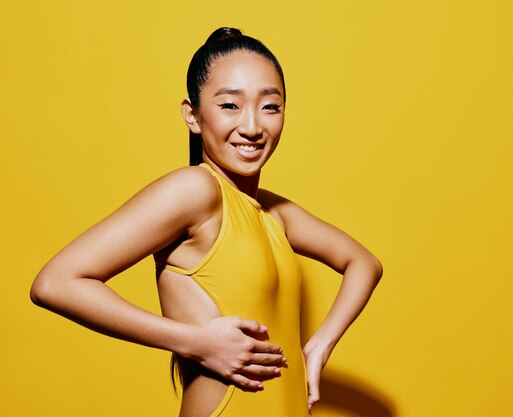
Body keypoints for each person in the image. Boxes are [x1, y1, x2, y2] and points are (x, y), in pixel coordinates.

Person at [30, 26, 383, 417]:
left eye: (270, 106)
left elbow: (364, 263)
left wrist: (318, 348)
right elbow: (55, 283)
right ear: (192, 115)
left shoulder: (273, 214)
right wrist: (195, 341)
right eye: (230, 105)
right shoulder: (195, 189)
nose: (252, 126)